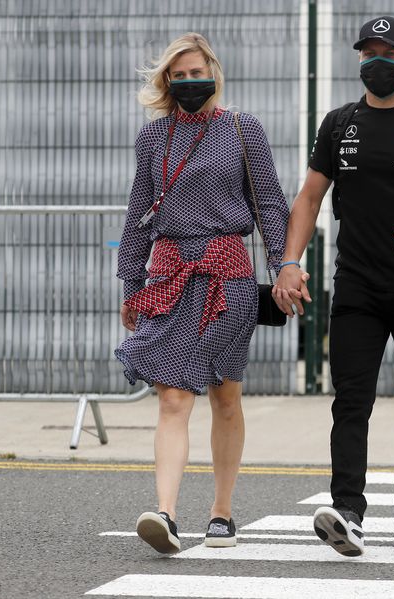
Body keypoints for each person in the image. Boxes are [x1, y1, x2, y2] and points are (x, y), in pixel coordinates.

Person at [274, 16, 394, 555]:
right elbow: (309, 198)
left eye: (388, 52)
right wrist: (289, 261)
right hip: (357, 287)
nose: (376, 61)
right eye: (367, 52)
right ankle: (348, 512)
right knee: (351, 401)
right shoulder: (339, 124)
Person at [115, 32, 289, 553]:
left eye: (198, 72)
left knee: (225, 396)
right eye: (180, 75)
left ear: (213, 72)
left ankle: (222, 512)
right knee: (172, 396)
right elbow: (138, 215)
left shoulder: (241, 129)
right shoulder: (153, 139)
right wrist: (131, 284)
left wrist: (284, 269)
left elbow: (271, 208)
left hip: (227, 274)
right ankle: (165, 514)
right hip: (168, 275)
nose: (190, 82)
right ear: (167, 80)